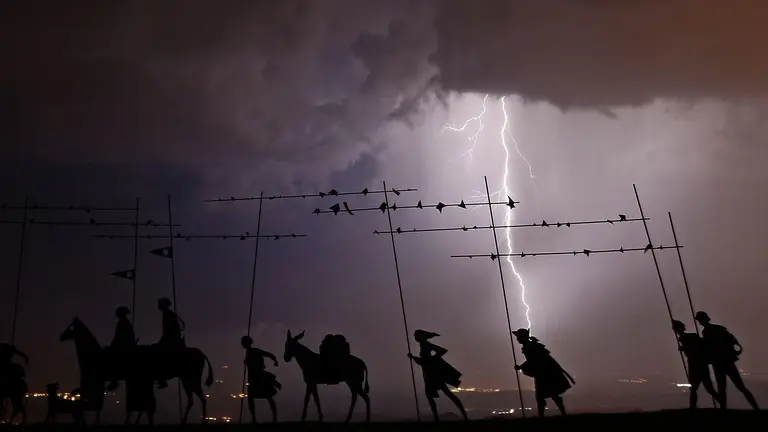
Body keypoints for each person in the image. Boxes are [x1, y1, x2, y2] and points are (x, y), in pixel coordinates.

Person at [695, 311, 759, 410]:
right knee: (736, 387)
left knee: (726, 388)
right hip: (724, 361)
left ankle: (725, 410)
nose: (699, 322)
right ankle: (754, 408)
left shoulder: (709, 331)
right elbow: (732, 341)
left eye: (699, 320)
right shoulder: (717, 329)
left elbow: (710, 347)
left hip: (720, 362)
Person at [408, 329, 468, 421]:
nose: (414, 337)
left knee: (445, 394)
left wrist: (432, 359)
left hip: (433, 375)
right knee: (435, 395)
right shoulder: (423, 346)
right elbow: (423, 361)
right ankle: (438, 418)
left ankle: (460, 416)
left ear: (421, 337)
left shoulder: (427, 346)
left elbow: (441, 351)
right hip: (429, 374)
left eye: (416, 336)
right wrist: (413, 358)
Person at [512, 328, 574, 417]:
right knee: (547, 396)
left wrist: (521, 367)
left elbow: (535, 361)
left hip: (545, 373)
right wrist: (521, 366)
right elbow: (531, 361)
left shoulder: (530, 347)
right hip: (543, 373)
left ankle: (549, 415)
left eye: (518, 337)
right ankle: (551, 414)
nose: (517, 339)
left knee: (547, 395)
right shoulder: (530, 346)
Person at [672, 320, 722, 408]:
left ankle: (693, 407)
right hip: (700, 365)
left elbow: (693, 350)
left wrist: (684, 348)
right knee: (704, 389)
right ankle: (694, 407)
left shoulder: (689, 337)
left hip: (696, 365)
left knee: (699, 389)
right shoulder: (690, 337)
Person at [241, 336, 280, 423]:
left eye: (243, 342)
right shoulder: (249, 352)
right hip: (253, 378)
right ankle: (255, 418)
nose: (242, 344)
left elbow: (268, 354)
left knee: (268, 396)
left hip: (259, 377)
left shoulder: (254, 351)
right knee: (253, 398)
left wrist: (275, 360)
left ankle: (273, 418)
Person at [156, 298, 185, 389]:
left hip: (172, 339)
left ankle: (163, 378)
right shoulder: (168, 314)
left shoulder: (168, 314)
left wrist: (163, 339)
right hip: (171, 338)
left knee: (159, 354)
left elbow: (169, 330)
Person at [107, 306, 138, 390]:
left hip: (124, 347)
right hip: (126, 345)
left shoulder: (123, 323)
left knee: (113, 358)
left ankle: (114, 379)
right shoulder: (125, 323)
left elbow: (118, 337)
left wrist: (112, 346)